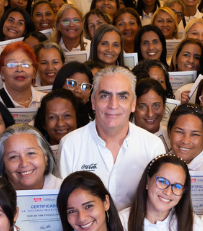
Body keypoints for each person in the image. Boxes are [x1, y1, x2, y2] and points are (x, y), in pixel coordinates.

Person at [59, 66, 167, 211]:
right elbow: (66, 204)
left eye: (122, 96)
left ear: (133, 103)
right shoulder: (70, 144)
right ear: (93, 101)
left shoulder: (153, 146)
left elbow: (157, 205)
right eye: (105, 96)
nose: (113, 105)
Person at [0, 126, 63, 190]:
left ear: (45, 157)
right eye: (13, 156)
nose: (24, 163)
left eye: (31, 153)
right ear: (2, 163)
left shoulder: (65, 191)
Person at [166, 104, 203, 172]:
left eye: (194, 134)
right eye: (180, 132)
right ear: (169, 132)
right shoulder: (157, 166)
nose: (186, 141)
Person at [0, 43, 45, 108]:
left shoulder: (46, 101)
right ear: (2, 72)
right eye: (12, 65)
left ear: (34, 73)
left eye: (25, 64)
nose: (19, 69)